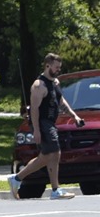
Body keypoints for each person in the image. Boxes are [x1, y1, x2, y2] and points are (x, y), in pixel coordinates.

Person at [11, 53, 82, 199]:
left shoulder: (55, 82)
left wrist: (74, 116)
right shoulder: (39, 86)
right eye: (56, 67)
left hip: (50, 122)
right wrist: (36, 130)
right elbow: (34, 109)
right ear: (47, 65)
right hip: (42, 122)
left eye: (59, 67)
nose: (58, 70)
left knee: (46, 156)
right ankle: (55, 190)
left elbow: (61, 101)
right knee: (55, 152)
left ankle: (16, 178)